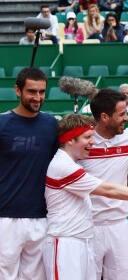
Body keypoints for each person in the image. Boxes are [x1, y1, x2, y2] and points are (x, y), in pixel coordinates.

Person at [43, 114, 128, 280]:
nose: (93, 141)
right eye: (87, 137)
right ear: (69, 140)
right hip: (65, 245)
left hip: (82, 240)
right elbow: (107, 188)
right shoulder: (63, 167)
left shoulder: (71, 163)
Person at [78, 88, 128, 280]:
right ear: (104, 117)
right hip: (87, 227)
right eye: (122, 114)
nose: (127, 118)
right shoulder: (83, 142)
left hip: (119, 227)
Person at [0, 67, 58, 279]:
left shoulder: (52, 125)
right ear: (17, 90)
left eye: (42, 92)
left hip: (41, 217)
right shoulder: (2, 123)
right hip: (5, 218)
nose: (37, 97)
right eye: (31, 91)